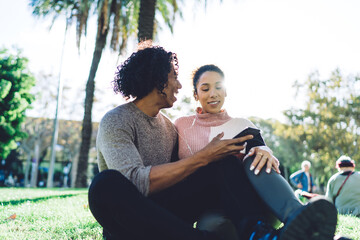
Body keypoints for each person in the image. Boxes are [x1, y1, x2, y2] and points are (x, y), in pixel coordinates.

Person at [87, 45, 336, 240]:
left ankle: (259, 235)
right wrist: (204, 156)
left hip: (170, 214)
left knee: (223, 163)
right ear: (157, 80)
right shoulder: (116, 120)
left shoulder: (168, 128)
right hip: (131, 221)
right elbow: (135, 183)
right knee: (104, 184)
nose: (180, 84)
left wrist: (262, 149)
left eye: (217, 87)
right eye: (174, 76)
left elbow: (190, 177)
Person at [174, 64, 338, 240]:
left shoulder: (243, 125)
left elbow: (264, 160)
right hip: (210, 206)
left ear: (226, 91)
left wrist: (264, 150)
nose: (213, 93)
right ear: (195, 95)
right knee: (217, 226)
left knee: (255, 157)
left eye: (219, 87)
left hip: (252, 201)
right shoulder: (181, 126)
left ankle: (298, 215)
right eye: (205, 89)